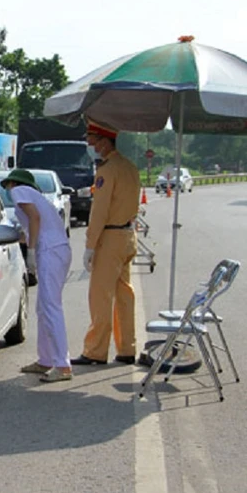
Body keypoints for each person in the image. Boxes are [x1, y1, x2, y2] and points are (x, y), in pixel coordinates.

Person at [71, 120, 141, 366]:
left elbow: (99, 211)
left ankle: (95, 351)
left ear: (104, 141)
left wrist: (90, 245)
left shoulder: (107, 170)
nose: (90, 146)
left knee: (100, 296)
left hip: (110, 238)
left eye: (92, 141)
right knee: (124, 295)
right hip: (128, 235)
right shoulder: (130, 167)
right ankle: (127, 348)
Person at [1, 169, 73, 383]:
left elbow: (34, 218)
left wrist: (30, 252)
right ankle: (46, 359)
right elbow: (28, 231)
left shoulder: (20, 191)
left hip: (50, 251)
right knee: (43, 308)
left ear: (13, 183)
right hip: (55, 250)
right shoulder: (37, 197)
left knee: (51, 307)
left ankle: (62, 365)